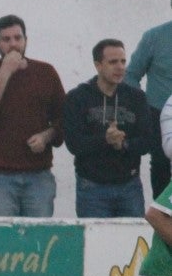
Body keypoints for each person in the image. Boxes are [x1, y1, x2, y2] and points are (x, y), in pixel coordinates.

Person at [0, 15, 66, 217]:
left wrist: (47, 136)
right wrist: (5, 70)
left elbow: (64, 118)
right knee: (2, 241)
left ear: (26, 40)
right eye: (6, 39)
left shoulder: (45, 73)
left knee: (39, 240)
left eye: (18, 38)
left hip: (38, 176)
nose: (13, 44)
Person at [62, 39, 156, 218]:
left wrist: (123, 144)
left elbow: (147, 141)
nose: (120, 67)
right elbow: (74, 144)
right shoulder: (78, 98)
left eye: (123, 61)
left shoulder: (136, 97)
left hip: (129, 186)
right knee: (96, 244)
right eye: (113, 62)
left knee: (132, 242)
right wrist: (105, 139)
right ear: (98, 65)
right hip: (91, 187)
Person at [124, 0, 172, 197]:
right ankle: (162, 217)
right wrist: (143, 104)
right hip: (158, 112)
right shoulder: (154, 37)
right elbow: (132, 75)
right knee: (160, 164)